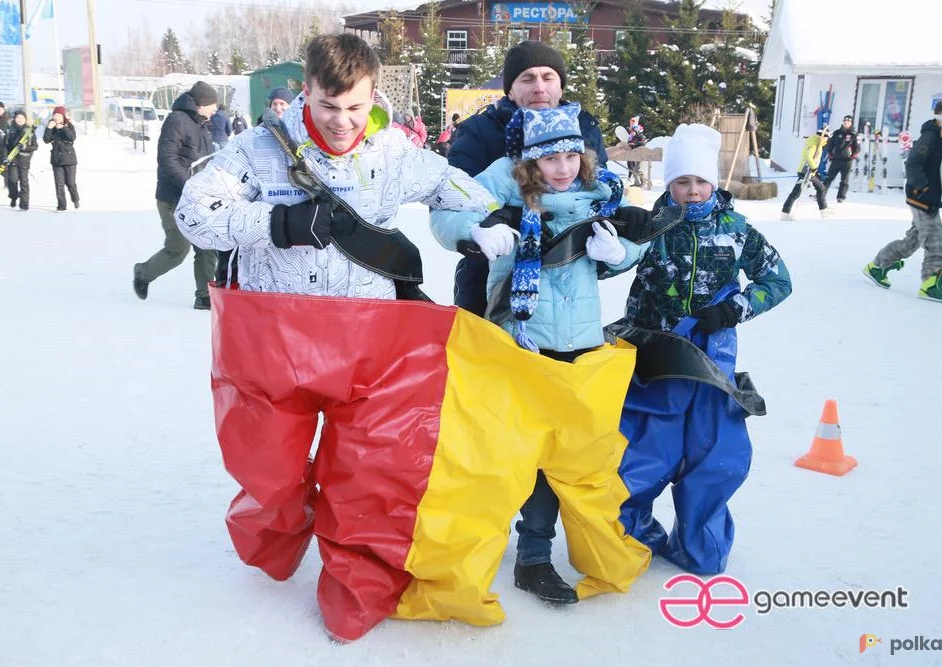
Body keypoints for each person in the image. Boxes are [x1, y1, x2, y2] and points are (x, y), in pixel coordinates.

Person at [430, 102, 651, 603]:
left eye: (572, 156)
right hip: (522, 344)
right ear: (530, 162)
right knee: (515, 456)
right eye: (551, 159)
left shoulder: (600, 196)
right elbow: (446, 212)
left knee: (570, 457)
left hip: (580, 347)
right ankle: (500, 552)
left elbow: (621, 250)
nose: (564, 167)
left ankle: (544, 552)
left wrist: (620, 256)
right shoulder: (503, 192)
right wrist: (476, 231)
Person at [175, 33, 494, 298]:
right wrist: (279, 224)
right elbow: (193, 213)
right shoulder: (259, 147)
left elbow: (447, 185)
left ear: (372, 97)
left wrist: (497, 213)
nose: (342, 122)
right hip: (281, 339)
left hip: (366, 341)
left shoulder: (392, 152)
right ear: (307, 91)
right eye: (328, 106)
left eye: (355, 107)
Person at [616, 123, 792, 574]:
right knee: (646, 452)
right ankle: (631, 539)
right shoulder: (651, 228)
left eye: (700, 182)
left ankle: (701, 545)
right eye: (682, 182)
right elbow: (607, 264)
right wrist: (616, 235)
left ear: (713, 184)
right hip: (657, 355)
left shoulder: (737, 230)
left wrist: (736, 309)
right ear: (669, 184)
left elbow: (778, 281)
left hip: (714, 359)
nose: (692, 192)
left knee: (715, 454)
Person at [447, 40, 608, 317]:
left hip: (568, 287)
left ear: (560, 86)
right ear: (509, 88)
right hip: (491, 283)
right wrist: (504, 218)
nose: (539, 87)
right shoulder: (479, 131)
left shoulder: (584, 128)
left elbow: (600, 196)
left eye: (548, 77)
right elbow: (455, 200)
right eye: (527, 78)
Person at [863, 99, 942, 303]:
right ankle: (930, 284)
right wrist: (923, 188)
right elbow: (913, 163)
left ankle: (877, 266)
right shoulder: (931, 135)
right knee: (936, 239)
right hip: (922, 197)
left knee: (913, 241)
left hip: (933, 196)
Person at [133, 80, 218, 310]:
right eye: (213, 104)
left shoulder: (202, 125)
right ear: (201, 104)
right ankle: (143, 272)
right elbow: (168, 158)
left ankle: (204, 295)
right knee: (178, 249)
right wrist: (189, 185)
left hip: (197, 198)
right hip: (173, 198)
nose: (215, 109)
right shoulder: (177, 121)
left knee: (206, 246)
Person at [780, 126, 831, 220]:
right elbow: (808, 156)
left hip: (809, 172)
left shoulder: (815, 142)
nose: (827, 140)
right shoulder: (814, 143)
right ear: (823, 136)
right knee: (796, 194)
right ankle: (785, 214)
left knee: (821, 189)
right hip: (806, 171)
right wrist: (814, 166)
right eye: (827, 137)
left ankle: (824, 211)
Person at [42, 105, 80, 211]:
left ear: (63, 116)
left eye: (58, 115)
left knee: (70, 183)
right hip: (56, 160)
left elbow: (72, 137)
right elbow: (46, 140)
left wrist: (63, 128)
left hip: (70, 159)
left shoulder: (69, 125)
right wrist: (49, 128)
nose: (56, 117)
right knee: (59, 184)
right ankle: (61, 205)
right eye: (55, 115)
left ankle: (75, 199)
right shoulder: (51, 126)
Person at [4, 109, 38, 211]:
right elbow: (5, 145)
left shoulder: (29, 131)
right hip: (12, 159)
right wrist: (4, 157)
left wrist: (24, 148)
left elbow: (35, 146)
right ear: (14, 119)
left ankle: (24, 204)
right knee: (12, 181)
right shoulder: (10, 130)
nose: (19, 120)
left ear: (25, 120)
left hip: (24, 159)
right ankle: (14, 197)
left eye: (21, 118)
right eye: (17, 118)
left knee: (24, 182)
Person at [823, 114, 860, 203]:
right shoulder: (836, 133)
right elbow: (830, 144)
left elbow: (857, 147)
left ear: (851, 123)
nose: (846, 123)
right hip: (836, 159)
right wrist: (830, 154)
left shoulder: (854, 134)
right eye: (845, 121)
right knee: (828, 178)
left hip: (847, 160)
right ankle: (820, 195)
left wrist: (853, 155)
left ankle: (841, 197)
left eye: (848, 121)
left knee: (844, 180)